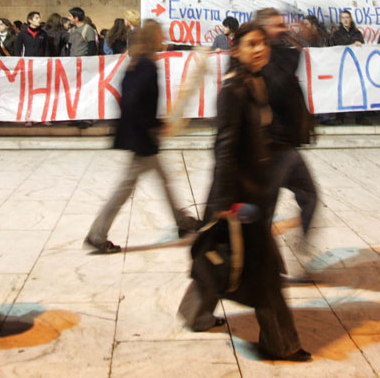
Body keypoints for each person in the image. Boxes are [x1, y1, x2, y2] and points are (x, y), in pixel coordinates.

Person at [179, 22, 311, 362]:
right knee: (263, 273)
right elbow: (224, 147)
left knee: (223, 257)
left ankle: (195, 313)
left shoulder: (257, 82)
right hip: (238, 197)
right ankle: (280, 343)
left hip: (249, 191)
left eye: (263, 43)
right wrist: (226, 202)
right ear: (236, 50)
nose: (260, 49)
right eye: (251, 44)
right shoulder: (234, 91)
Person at [85, 20, 198, 253]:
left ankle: (183, 222)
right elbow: (135, 102)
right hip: (142, 137)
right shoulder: (146, 65)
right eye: (160, 34)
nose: (163, 38)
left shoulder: (136, 62)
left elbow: (129, 99)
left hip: (140, 134)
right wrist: (153, 125)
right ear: (151, 38)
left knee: (162, 179)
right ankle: (97, 234)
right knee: (125, 188)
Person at [253, 9, 318, 239]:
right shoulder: (262, 61)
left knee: (309, 196)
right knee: (266, 209)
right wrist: (299, 40)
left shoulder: (279, 52)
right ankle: (259, 263)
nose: (283, 29)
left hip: (286, 145)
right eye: (277, 25)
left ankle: (300, 255)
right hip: (273, 147)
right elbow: (280, 85)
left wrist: (300, 39)